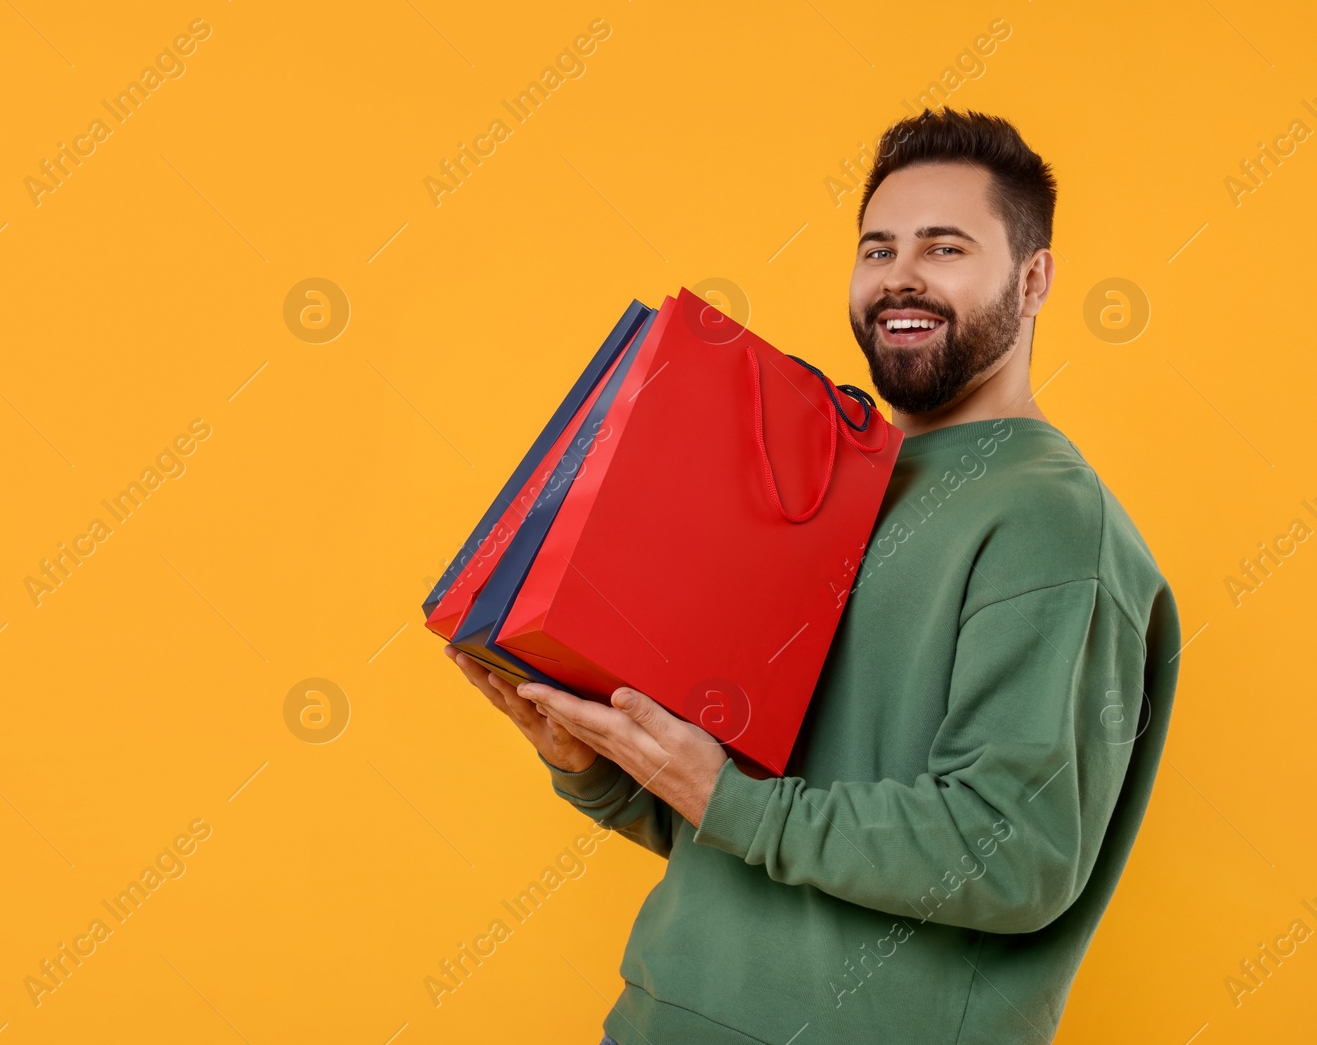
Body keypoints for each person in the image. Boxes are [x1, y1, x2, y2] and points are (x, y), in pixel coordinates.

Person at [445, 107, 1182, 1044]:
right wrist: (598, 766)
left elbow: (1011, 853)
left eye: (944, 247)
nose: (900, 276)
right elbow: (750, 825)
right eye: (877, 250)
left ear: (1033, 279)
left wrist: (726, 797)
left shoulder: (1051, 519)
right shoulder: (834, 487)